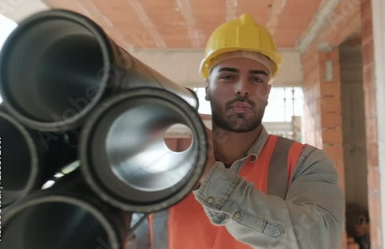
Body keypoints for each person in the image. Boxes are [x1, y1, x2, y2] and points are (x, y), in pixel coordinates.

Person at [132, 14, 344, 249]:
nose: (242, 88)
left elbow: (319, 241)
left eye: (256, 79)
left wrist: (210, 177)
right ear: (207, 89)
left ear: (268, 92)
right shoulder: (163, 160)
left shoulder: (305, 162)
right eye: (228, 76)